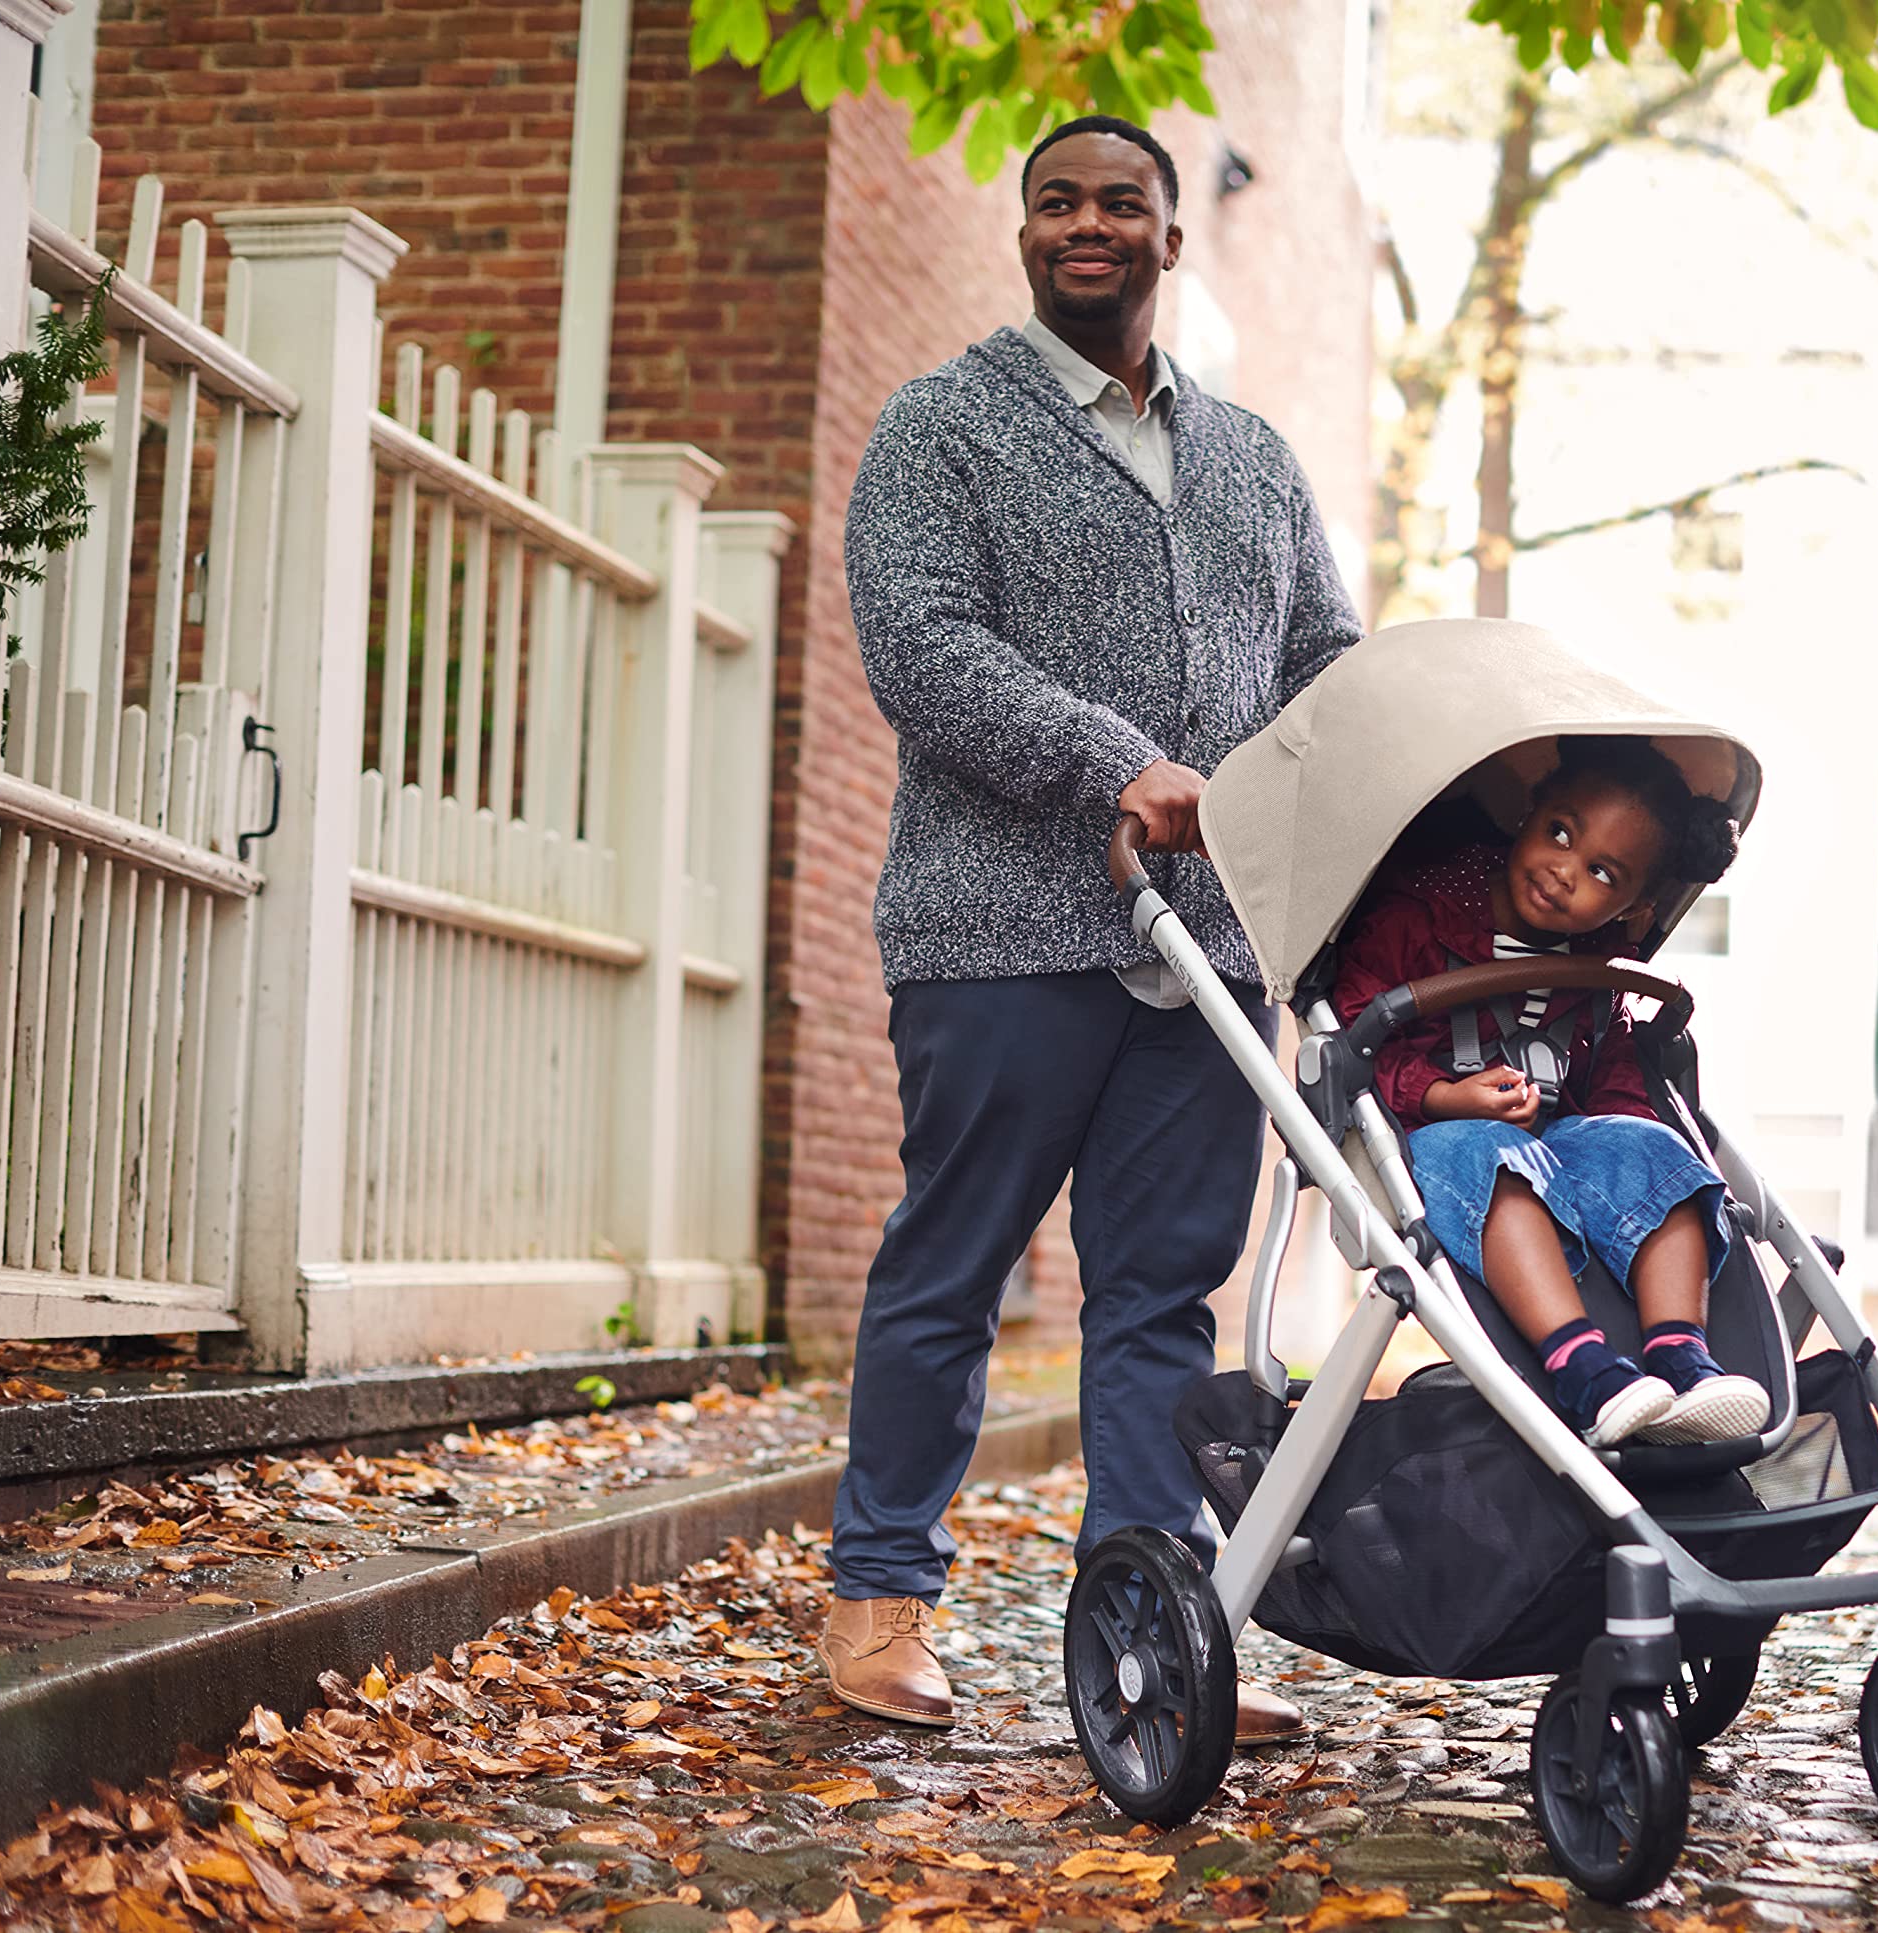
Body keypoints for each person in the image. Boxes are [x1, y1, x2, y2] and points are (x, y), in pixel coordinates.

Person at [823, 114, 1365, 1736]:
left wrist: (1308, 798)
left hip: (1210, 952)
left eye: (1121, 202)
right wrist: (1113, 762)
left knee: (1159, 1302)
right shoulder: (944, 427)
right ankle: (878, 1599)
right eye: (1058, 200)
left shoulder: (1254, 459)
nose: (1088, 223)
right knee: (955, 1267)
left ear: (1169, 240)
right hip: (1001, 930)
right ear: (1025, 235)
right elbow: (920, 645)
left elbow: (1325, 657)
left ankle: (1150, 1630)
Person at [1330, 735, 1769, 1449]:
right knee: (1496, 1153)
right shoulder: (1420, 914)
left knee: (1658, 1150)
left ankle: (1684, 1360)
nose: (1565, 872)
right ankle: (1585, 1370)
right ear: (1531, 812)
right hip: (1436, 1141)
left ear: (1634, 906)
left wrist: (1636, 1165)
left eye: (1602, 872)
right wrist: (1446, 1095)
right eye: (1560, 833)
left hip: (1559, 1142)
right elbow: (1357, 1040)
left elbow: (1617, 1078)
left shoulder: (1596, 965)